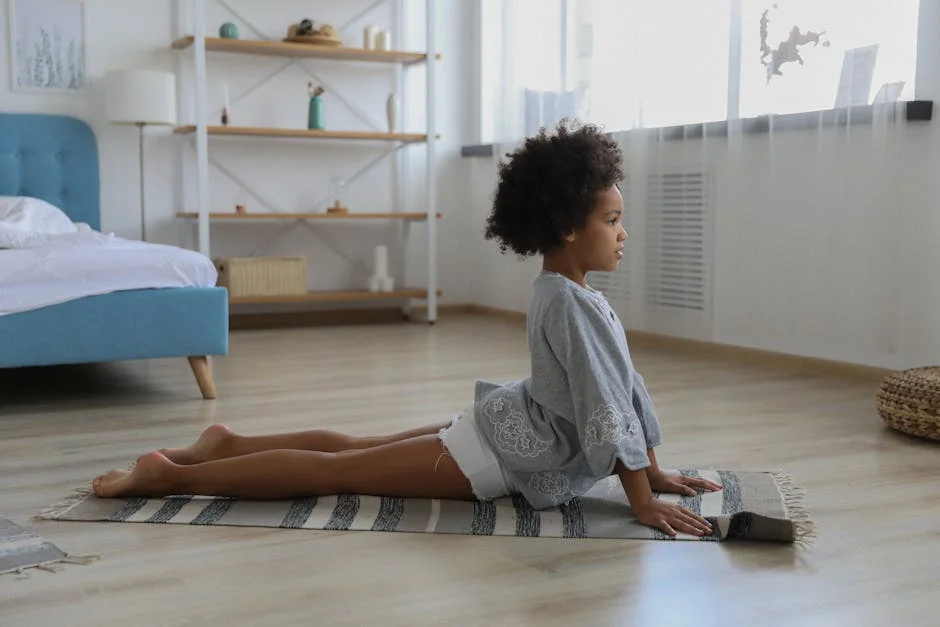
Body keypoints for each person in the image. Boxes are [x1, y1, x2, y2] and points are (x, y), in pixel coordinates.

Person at [92, 120, 720, 538]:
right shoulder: (573, 303)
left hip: (506, 425)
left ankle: (224, 442)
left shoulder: (567, 293)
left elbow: (622, 388)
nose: (622, 232)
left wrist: (655, 469)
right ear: (565, 228)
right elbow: (606, 408)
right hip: (499, 455)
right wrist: (641, 498)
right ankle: (171, 476)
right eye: (612, 219)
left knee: (351, 446)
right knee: (337, 471)